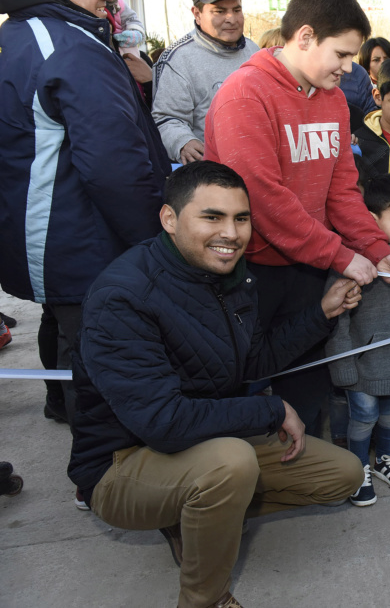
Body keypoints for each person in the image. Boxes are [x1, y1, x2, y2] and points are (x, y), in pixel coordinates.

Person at [68, 161, 365, 608]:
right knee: (231, 462)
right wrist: (270, 410)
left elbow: (251, 361)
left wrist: (321, 313)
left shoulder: (232, 276)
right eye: (212, 216)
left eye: (241, 218)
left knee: (343, 476)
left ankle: (198, 515)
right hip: (123, 461)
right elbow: (162, 423)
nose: (231, 233)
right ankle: (204, 599)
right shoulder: (123, 297)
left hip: (204, 436)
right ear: (169, 219)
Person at [204, 0, 390, 436]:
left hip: (308, 266)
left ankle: (303, 469)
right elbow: (263, 197)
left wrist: (377, 248)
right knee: (249, 383)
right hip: (251, 272)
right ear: (304, 37)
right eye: (340, 55)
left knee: (306, 381)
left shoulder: (335, 100)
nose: (349, 69)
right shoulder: (245, 94)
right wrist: (341, 255)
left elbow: (341, 190)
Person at [0, 0, 170, 427]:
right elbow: (115, 167)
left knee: (61, 320)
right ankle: (94, 474)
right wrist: (153, 242)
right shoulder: (71, 49)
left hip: (46, 233)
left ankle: (60, 407)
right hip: (79, 235)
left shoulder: (18, 34)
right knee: (93, 350)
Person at [325, 175, 390, 506]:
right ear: (370, 220)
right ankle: (357, 469)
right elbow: (337, 320)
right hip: (363, 368)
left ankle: (385, 459)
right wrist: (343, 366)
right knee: (364, 416)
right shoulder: (351, 264)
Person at [152, 0, 258, 165]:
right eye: (219, 11)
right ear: (197, 14)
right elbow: (165, 119)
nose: (231, 19)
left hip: (258, 163)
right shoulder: (177, 60)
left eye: (236, 10)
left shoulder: (255, 51)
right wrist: (183, 142)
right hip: (212, 175)